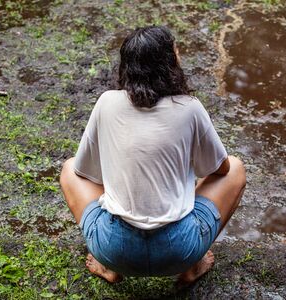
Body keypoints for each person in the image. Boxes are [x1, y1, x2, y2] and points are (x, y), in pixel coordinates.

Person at [60, 26, 246, 284]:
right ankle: (191, 268)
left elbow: (85, 171)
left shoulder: (106, 102)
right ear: (170, 63)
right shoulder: (189, 108)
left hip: (114, 249)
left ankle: (109, 268)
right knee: (236, 168)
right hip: (180, 250)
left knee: (69, 169)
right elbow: (222, 170)